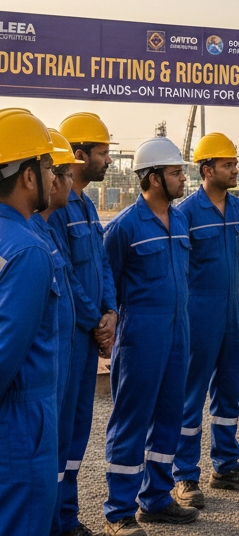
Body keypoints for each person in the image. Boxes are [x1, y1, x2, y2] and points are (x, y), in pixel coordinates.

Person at [102, 137, 197, 535]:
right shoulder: (125, 226)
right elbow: (108, 282)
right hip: (141, 334)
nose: (182, 179)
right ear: (153, 178)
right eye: (176, 172)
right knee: (131, 421)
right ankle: (119, 511)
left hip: (179, 332)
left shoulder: (179, 220)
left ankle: (155, 498)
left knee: (169, 418)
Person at [172, 132, 239, 508]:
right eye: (228, 164)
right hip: (200, 310)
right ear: (206, 169)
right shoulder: (185, 213)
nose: (235, 169)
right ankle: (185, 476)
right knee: (192, 393)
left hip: (234, 309)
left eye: (235, 163)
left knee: (229, 390)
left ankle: (226, 466)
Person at [49, 111, 118, 536]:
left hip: (91, 333)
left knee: (77, 431)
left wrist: (111, 310)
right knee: (59, 432)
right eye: (102, 152)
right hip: (72, 336)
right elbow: (66, 275)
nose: (108, 160)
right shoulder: (55, 207)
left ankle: (68, 516)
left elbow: (102, 263)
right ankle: (54, 521)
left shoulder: (89, 204)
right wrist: (97, 318)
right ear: (78, 154)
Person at [0, 108, 60, 536]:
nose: (53, 177)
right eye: (46, 166)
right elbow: (5, 356)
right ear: (26, 176)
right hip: (20, 424)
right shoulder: (28, 251)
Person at [30, 129, 79, 536]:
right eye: (53, 171)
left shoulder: (45, 232)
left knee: (61, 450)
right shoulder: (30, 242)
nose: (60, 180)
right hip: (37, 380)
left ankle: (60, 522)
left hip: (63, 356)